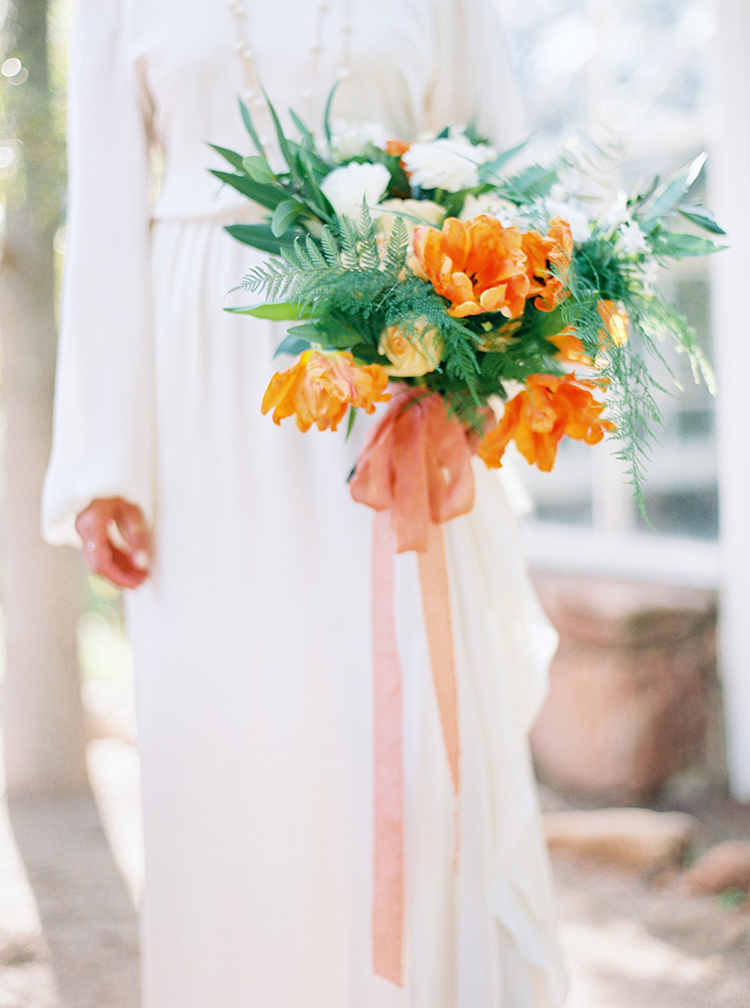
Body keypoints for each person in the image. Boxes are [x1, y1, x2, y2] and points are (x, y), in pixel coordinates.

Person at [43, 0, 568, 1005]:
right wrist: (108, 461)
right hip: (200, 393)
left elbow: (503, 174)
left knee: (400, 729)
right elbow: (104, 210)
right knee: (228, 732)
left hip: (396, 372)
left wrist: (471, 361)